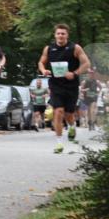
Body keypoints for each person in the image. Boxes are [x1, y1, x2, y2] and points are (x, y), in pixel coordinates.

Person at [38, 23, 91, 153]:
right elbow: (41, 62)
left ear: (67, 35)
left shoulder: (75, 48)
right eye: (58, 33)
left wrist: (74, 73)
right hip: (55, 85)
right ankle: (59, 143)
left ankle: (72, 126)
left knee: (69, 114)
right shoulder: (49, 49)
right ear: (55, 35)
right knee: (58, 111)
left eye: (63, 33)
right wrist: (44, 70)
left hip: (71, 86)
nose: (60, 36)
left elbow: (86, 64)